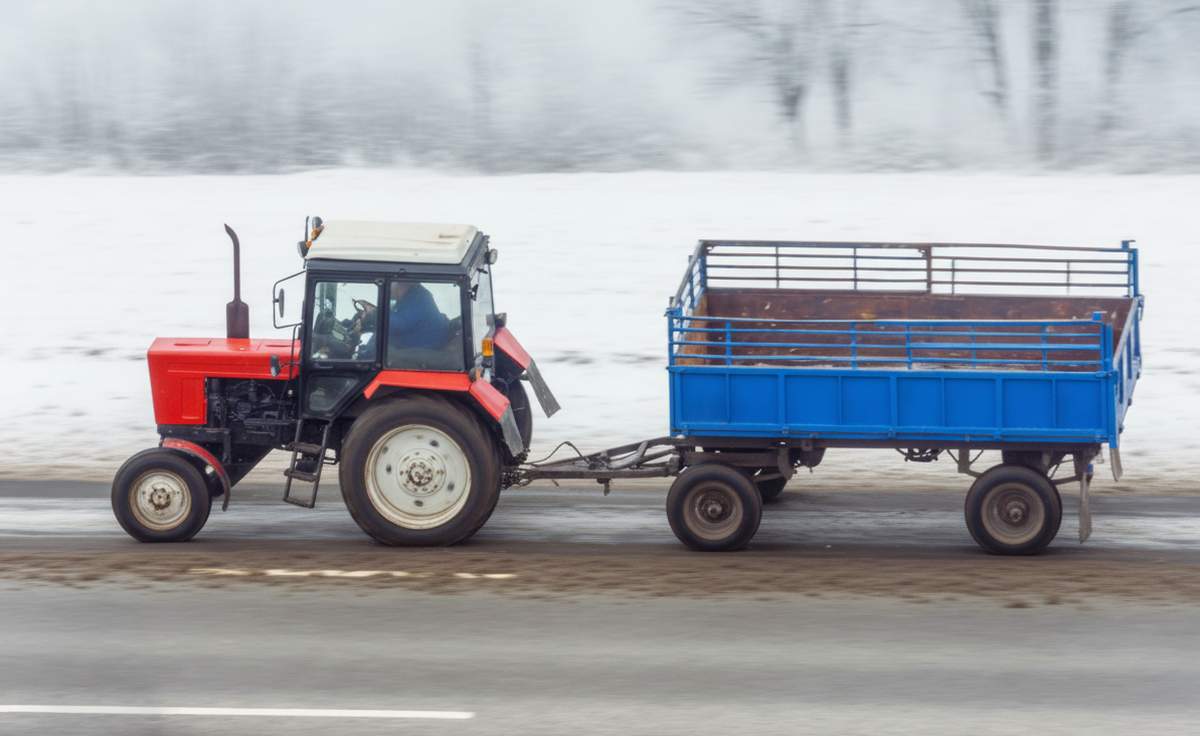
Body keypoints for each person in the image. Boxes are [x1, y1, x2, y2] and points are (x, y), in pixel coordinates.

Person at [389, 282, 450, 350]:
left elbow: (400, 324)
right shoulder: (407, 298)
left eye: (390, 283)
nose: (387, 287)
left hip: (424, 347)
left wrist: (376, 316)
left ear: (399, 283)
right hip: (415, 343)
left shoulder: (418, 297)